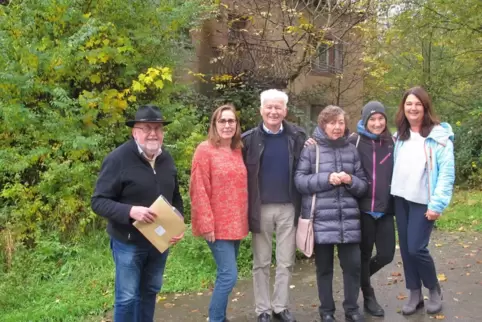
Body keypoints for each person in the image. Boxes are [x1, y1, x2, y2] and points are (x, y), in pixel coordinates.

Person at [91, 104, 184, 322]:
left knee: (150, 291)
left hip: (159, 242)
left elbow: (175, 197)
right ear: (135, 132)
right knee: (127, 297)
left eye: (158, 128)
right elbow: (98, 201)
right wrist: (131, 211)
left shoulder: (166, 159)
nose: (153, 133)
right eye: (146, 128)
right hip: (128, 243)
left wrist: (178, 221)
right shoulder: (118, 159)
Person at [295, 105, 368, 322]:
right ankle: (326, 311)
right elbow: (299, 181)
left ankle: (352, 309)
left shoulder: (351, 150)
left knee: (353, 268)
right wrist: (326, 179)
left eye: (341, 123)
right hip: (321, 221)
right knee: (324, 269)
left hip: (349, 221)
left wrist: (349, 180)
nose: (337, 127)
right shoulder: (311, 149)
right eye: (332, 122)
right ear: (323, 124)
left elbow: (363, 186)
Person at [242, 89, 307, 322]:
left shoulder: (298, 137)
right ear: (261, 110)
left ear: (285, 111)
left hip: (289, 207)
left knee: (286, 261)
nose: (273, 111)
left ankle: (280, 306)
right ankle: (263, 309)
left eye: (278, 107)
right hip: (261, 208)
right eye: (269, 107)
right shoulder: (248, 140)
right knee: (261, 261)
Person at [391, 86, 455, 315]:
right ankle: (414, 293)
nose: (413, 108)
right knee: (407, 250)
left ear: (425, 107)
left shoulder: (438, 136)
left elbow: (447, 173)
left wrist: (437, 205)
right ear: (403, 108)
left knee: (417, 248)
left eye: (417, 103)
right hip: (401, 198)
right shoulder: (400, 135)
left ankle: (434, 289)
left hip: (423, 201)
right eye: (409, 104)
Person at [190, 104, 248, 322]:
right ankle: (215, 319)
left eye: (231, 121)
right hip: (217, 225)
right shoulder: (204, 150)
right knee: (228, 275)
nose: (227, 125)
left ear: (236, 125)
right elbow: (199, 189)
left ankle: (220, 317)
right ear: (214, 124)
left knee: (226, 275)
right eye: (222, 121)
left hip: (237, 224)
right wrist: (205, 224)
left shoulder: (238, 149)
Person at [348, 101, 395, 317]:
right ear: (365, 121)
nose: (377, 123)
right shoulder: (354, 141)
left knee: (386, 254)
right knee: (364, 255)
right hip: (363, 209)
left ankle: (357, 278)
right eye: (372, 119)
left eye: (380, 118)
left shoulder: (392, 142)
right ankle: (368, 295)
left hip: (385, 209)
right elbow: (331, 146)